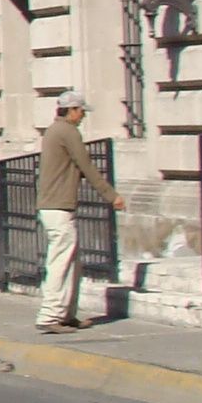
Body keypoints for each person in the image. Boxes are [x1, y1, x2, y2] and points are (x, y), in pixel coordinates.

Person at [37, 91, 124, 332]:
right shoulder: (68, 132)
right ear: (72, 110)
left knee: (72, 263)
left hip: (54, 205)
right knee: (61, 263)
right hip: (58, 206)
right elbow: (86, 165)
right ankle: (50, 315)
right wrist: (111, 195)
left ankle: (66, 313)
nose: (83, 116)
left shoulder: (54, 131)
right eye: (81, 111)